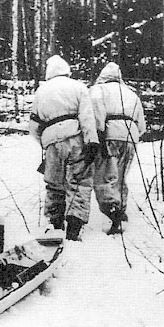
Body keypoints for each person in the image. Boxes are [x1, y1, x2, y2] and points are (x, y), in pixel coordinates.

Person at [29, 55, 100, 241]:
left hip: (51, 141)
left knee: (54, 183)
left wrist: (45, 142)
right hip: (75, 137)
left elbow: (34, 124)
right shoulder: (78, 87)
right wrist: (92, 141)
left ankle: (55, 222)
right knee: (79, 181)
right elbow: (87, 116)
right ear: (67, 70)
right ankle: (74, 225)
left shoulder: (41, 91)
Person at [90, 62, 146, 235]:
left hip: (109, 135)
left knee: (104, 177)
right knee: (121, 177)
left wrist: (97, 136)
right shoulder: (131, 94)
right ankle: (121, 210)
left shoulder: (98, 91)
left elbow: (96, 115)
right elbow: (142, 125)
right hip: (130, 137)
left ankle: (113, 213)